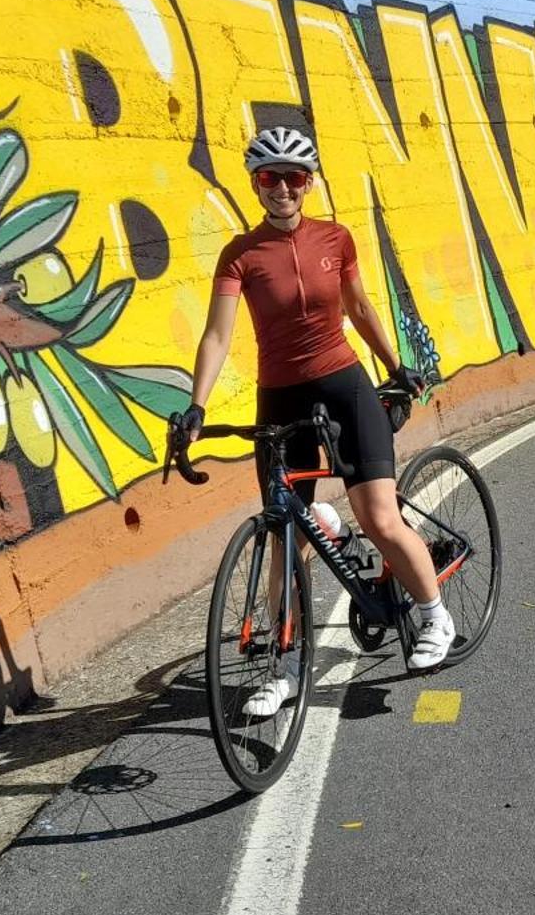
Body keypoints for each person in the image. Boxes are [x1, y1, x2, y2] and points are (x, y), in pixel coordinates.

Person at [171, 123, 451, 714]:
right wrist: (196, 404)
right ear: (255, 183)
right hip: (281, 399)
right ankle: (285, 666)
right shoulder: (240, 256)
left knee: (378, 515)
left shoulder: (336, 237)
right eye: (271, 178)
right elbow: (217, 335)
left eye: (294, 178)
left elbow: (360, 306)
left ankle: (433, 615)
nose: (283, 189)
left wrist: (395, 367)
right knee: (284, 537)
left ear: (308, 183)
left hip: (344, 386)